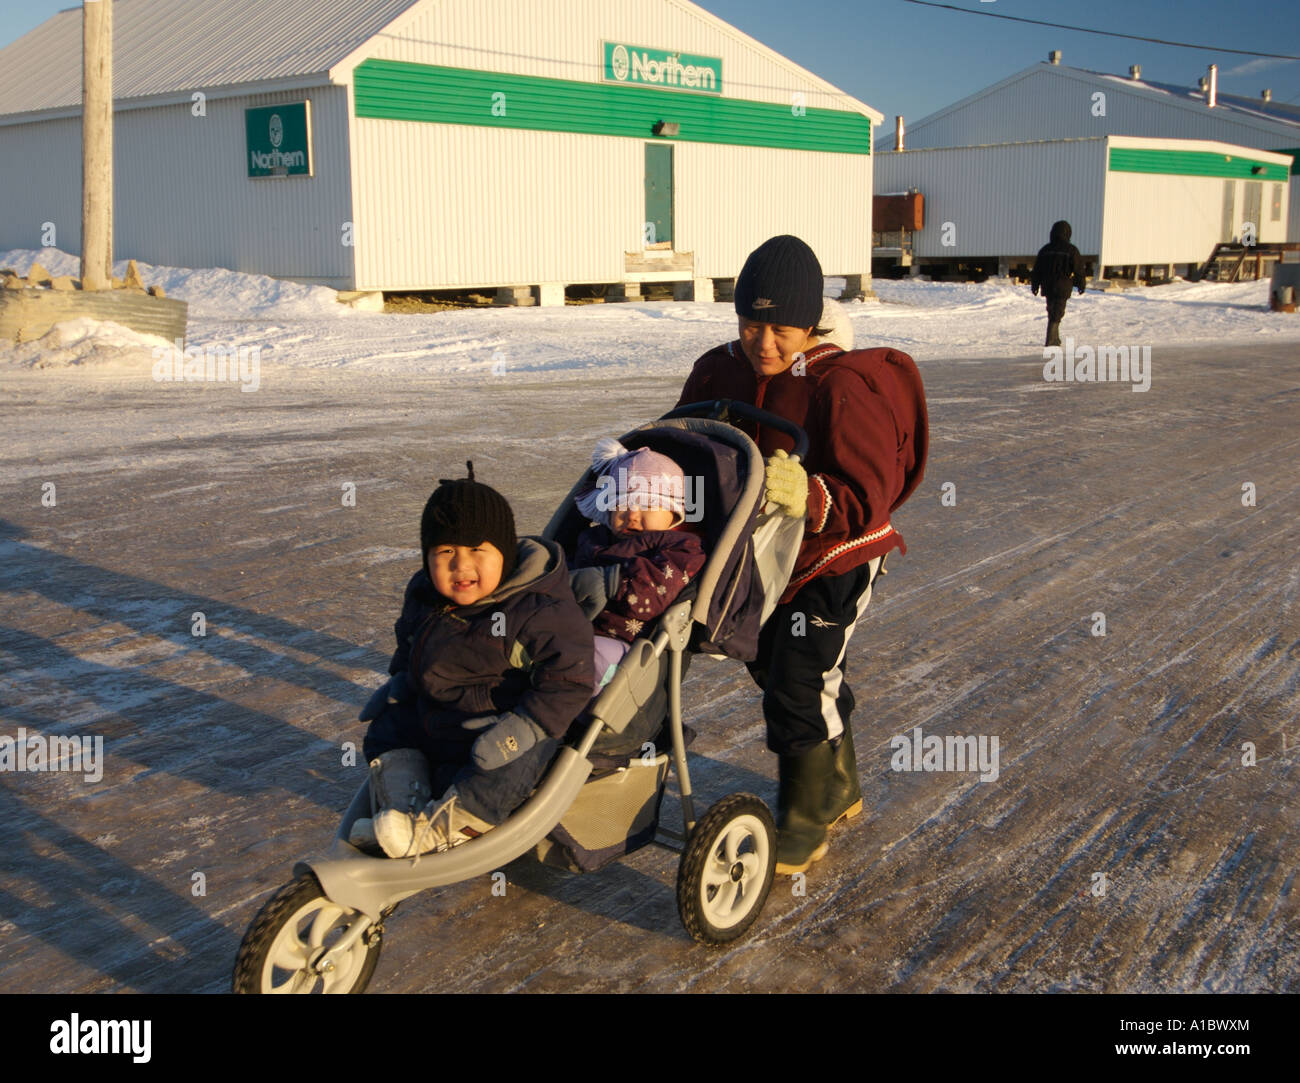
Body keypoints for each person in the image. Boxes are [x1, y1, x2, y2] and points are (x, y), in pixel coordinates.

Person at [675, 234, 928, 875]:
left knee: (796, 678)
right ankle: (838, 784)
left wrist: (809, 492)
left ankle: (803, 815)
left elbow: (868, 492)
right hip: (757, 554)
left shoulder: (841, 383)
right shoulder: (718, 369)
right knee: (776, 665)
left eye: (780, 328)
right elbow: (683, 440)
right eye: (750, 323)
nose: (764, 343)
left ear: (810, 321)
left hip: (832, 552)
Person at [350, 464, 594, 858]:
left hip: (503, 725)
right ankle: (403, 809)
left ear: (505, 553)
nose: (460, 566)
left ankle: (451, 824)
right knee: (387, 728)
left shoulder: (534, 609)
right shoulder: (426, 594)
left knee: (508, 763)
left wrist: (526, 728)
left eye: (477, 550)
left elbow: (571, 677)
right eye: (445, 551)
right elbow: (410, 642)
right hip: (440, 713)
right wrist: (400, 682)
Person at [567, 438, 707, 690]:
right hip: (569, 631)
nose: (632, 514)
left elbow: (650, 596)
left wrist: (609, 582)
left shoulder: (680, 549)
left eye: (647, 504)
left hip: (622, 649)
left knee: (588, 660)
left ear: (674, 512)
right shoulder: (594, 538)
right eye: (621, 503)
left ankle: (556, 720)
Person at [1031, 219, 1087, 348]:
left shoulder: (1045, 250)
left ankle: (1055, 338)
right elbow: (1078, 269)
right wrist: (1081, 284)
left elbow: (1037, 270)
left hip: (1048, 285)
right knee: (1058, 311)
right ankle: (1051, 339)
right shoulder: (1071, 250)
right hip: (1063, 285)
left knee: (1052, 310)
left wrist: (1035, 285)